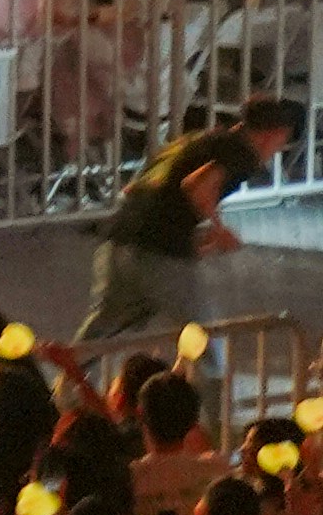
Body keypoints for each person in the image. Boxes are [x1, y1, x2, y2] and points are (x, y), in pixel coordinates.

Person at [84, 95, 296, 342]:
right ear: (273, 134)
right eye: (281, 141)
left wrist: (196, 237)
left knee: (103, 329)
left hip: (120, 234)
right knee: (202, 334)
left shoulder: (200, 139)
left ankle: (68, 365)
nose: (278, 150)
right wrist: (220, 230)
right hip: (157, 247)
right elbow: (195, 185)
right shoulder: (242, 152)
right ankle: (210, 371)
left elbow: (154, 187)